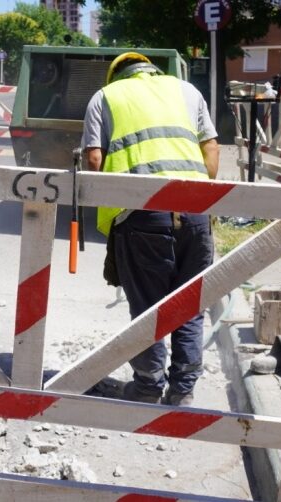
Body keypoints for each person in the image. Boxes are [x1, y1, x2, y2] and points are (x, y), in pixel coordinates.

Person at [81, 52, 219, 406]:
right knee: (189, 306)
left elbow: (94, 159)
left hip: (142, 214)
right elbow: (211, 151)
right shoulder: (188, 91)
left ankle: (146, 387)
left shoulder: (105, 97)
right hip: (196, 212)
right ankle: (183, 392)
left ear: (117, 76)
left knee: (148, 307)